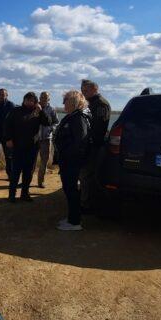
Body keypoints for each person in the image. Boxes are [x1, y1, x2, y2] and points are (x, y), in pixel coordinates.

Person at [2, 91, 51, 202]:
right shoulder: (16, 111)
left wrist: (41, 111)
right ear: (24, 100)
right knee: (15, 172)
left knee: (28, 172)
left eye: (32, 101)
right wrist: (8, 139)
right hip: (17, 146)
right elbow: (7, 125)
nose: (29, 102)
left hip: (32, 147)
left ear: (35, 102)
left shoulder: (37, 112)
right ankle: (12, 195)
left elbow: (48, 122)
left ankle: (25, 194)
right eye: (27, 100)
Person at [53, 91, 91, 231]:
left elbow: (80, 143)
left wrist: (71, 159)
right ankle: (72, 217)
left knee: (71, 190)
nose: (63, 103)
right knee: (69, 190)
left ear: (74, 101)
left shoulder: (78, 118)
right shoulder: (71, 117)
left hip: (71, 162)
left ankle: (75, 222)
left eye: (65, 100)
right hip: (67, 161)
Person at [80, 79, 111, 213]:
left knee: (89, 176)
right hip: (89, 145)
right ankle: (86, 202)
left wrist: (89, 141)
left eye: (86, 90)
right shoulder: (90, 103)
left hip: (94, 146)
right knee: (86, 176)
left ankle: (88, 205)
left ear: (95, 89)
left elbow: (98, 128)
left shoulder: (101, 104)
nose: (83, 93)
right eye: (82, 90)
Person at [32, 91, 59, 188]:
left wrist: (51, 129)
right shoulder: (34, 107)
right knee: (32, 160)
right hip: (34, 139)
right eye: (42, 97)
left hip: (46, 139)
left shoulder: (52, 109)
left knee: (44, 161)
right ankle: (27, 181)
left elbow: (56, 122)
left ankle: (40, 181)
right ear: (39, 97)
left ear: (49, 99)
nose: (43, 98)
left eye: (45, 97)